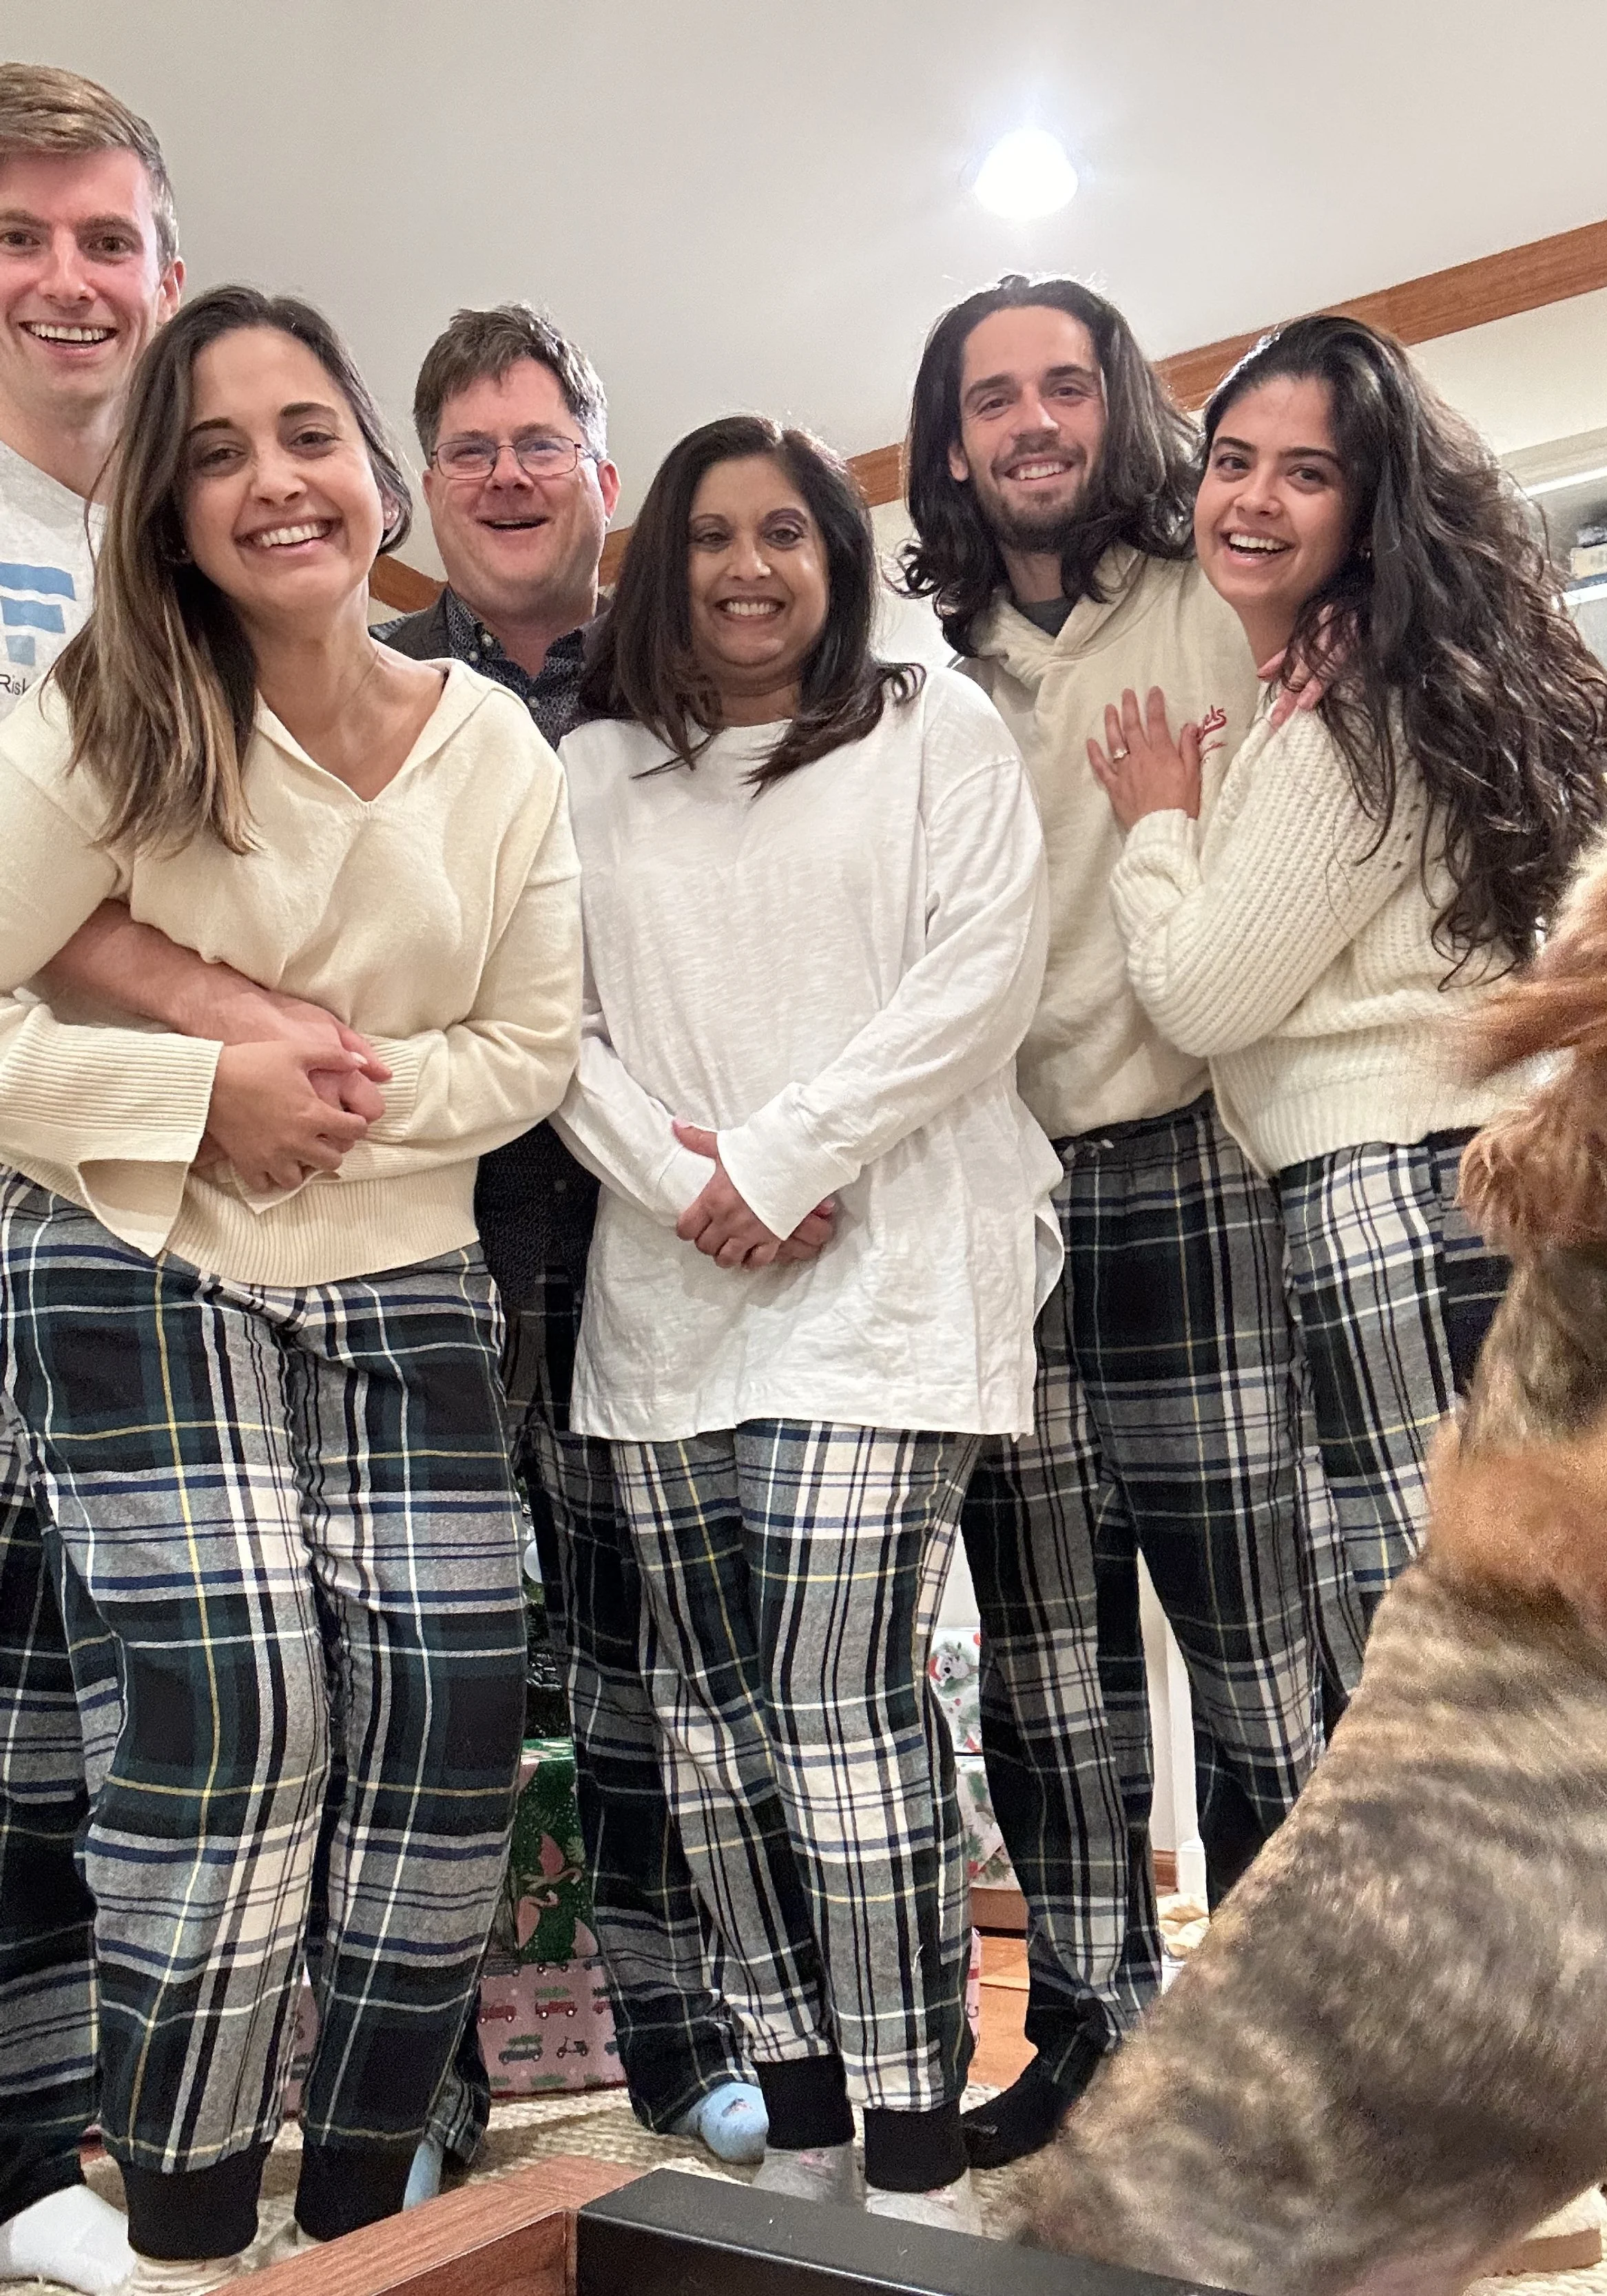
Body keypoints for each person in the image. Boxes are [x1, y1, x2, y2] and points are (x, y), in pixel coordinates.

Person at [0, 284, 579, 2292]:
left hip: (407, 1271)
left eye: (307, 431)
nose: (272, 479)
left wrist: (319, 1091)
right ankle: (174, 2222)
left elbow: (533, 1046)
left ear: (377, 470)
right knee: (237, 1719)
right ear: (163, 507)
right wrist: (193, 1088)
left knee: (440, 1724)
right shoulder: (92, 715)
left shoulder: (495, 747)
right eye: (218, 449)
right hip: (140, 1254)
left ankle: (349, 2216)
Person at [557, 414, 1059, 2231]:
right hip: (667, 1289)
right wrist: (686, 1174)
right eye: (710, 533)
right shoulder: (591, 769)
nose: (748, 564)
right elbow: (543, 1015)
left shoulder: (934, 728)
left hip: (888, 1271)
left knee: (840, 1706)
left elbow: (979, 977)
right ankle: (809, 2111)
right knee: (710, 1724)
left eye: (788, 530)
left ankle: (915, 2140)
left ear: (838, 562)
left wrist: (786, 1151)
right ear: (661, 560)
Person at [897, 273, 1324, 2168]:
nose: (1033, 422)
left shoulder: (1215, 596)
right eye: (993, 398)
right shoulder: (913, 656)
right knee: (1046, 1667)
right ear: (953, 435)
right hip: (1005, 1196)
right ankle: (1090, 2031)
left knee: (1257, 1647)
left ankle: (1288, 2041)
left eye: (1066, 384)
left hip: (1196, 1170)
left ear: (1118, 404)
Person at [1090, 310, 1607, 1684]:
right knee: (1497, 1638)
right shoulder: (1365, 688)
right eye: (1230, 460)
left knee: (1452, 1660)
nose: (1251, 499)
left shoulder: (1350, 706)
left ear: (1371, 505)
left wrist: (1153, 825)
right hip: (1447, 1189)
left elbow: (1204, 995)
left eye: (1305, 472)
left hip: (1395, 1196)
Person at [380, 301, 767, 2181]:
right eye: (471, 450)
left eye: (542, 443)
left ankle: (684, 2044)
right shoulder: (361, 688)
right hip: (427, 1243)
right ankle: (423, 2098)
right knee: (433, 1691)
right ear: (423, 487)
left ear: (604, 473)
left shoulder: (707, 671)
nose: (511, 477)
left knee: (656, 1671)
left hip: (659, 1239)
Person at [0, 63, 181, 2296]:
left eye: (103, 239)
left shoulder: (192, 543)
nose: (62, 278)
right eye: (22, 239)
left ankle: (45, 2152)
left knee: (81, 1702)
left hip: (139, 1209)